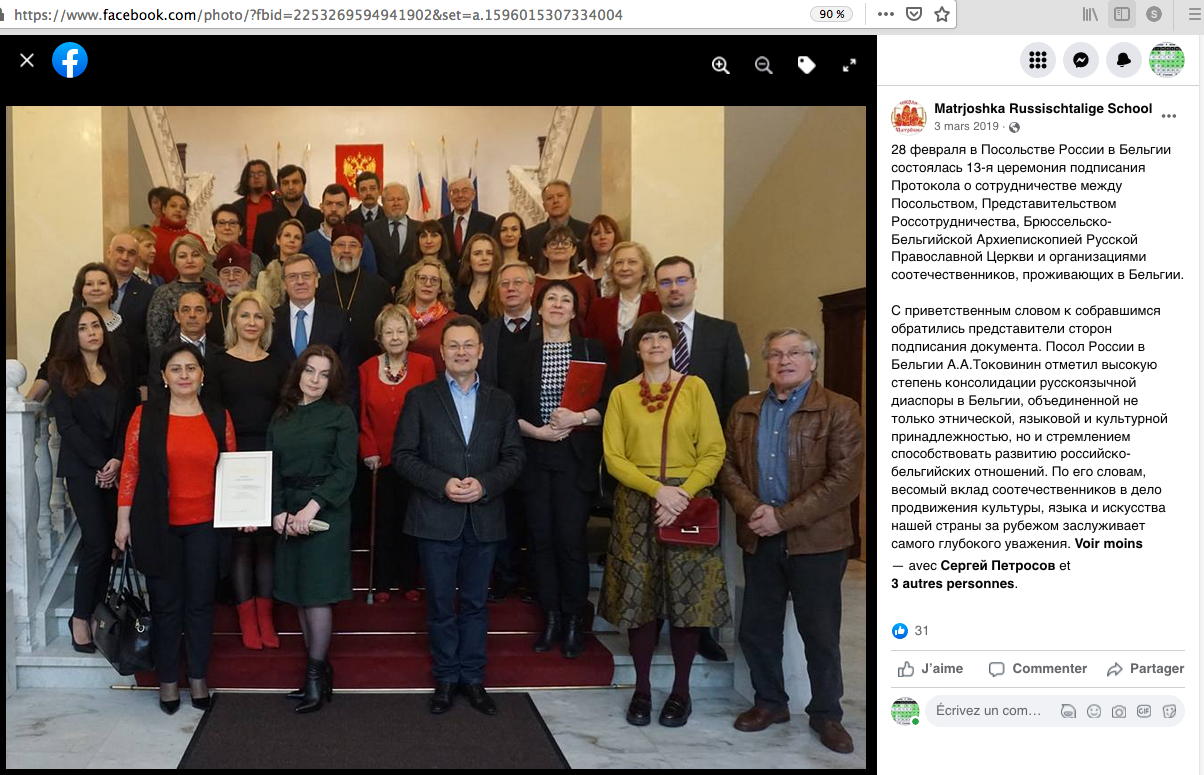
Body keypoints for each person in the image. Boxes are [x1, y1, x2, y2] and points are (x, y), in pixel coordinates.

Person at [717, 329, 864, 754]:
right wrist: (753, 510)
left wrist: (782, 518)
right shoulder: (745, 409)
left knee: (819, 632)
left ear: (812, 361)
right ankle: (770, 703)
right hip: (759, 535)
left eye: (795, 353)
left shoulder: (840, 409)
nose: (785, 360)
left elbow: (844, 480)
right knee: (757, 629)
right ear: (766, 362)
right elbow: (726, 466)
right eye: (776, 354)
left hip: (817, 541)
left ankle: (826, 713)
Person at [600, 312, 728, 728]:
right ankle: (641, 689)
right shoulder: (622, 394)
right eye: (646, 338)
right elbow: (614, 457)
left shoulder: (695, 388)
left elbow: (714, 450)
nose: (655, 344)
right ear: (636, 348)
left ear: (673, 345)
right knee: (640, 600)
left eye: (662, 337)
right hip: (637, 503)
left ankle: (681, 692)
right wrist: (658, 491)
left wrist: (682, 493)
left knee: (686, 598)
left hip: (689, 500)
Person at [393, 315, 525, 716]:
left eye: (469, 345)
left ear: (481, 351)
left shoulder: (501, 401)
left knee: (475, 604)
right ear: (442, 352)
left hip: (484, 517)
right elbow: (403, 456)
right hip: (435, 517)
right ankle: (446, 678)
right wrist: (442, 483)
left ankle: (473, 678)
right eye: (454, 345)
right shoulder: (420, 398)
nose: (461, 352)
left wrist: (484, 484)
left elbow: (515, 457)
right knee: (439, 604)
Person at [619, 256, 749, 663]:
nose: (674, 287)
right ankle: (651, 632)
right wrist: (659, 490)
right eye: (665, 281)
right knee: (647, 575)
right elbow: (619, 440)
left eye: (681, 280)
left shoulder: (723, 333)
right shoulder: (630, 375)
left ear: (693, 283)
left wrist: (694, 482)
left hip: (700, 474)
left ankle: (702, 633)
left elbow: (735, 403)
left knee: (695, 569)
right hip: (643, 488)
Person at [115, 342, 237, 714]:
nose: (184, 375)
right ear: (164, 377)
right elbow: (131, 468)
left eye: (191, 368)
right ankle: (168, 679)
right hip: (158, 525)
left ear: (202, 375)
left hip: (206, 527)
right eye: (176, 369)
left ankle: (197, 676)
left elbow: (233, 471)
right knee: (166, 607)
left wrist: (244, 511)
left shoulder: (218, 415)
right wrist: (122, 520)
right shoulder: (145, 415)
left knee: (200, 605)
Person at [508, 281, 607, 657]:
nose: (558, 305)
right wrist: (538, 432)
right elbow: (507, 409)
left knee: (570, 541)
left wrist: (576, 418)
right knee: (541, 541)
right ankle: (550, 617)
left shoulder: (590, 350)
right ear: (539, 307)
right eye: (551, 298)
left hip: (575, 460)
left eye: (566, 300)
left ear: (574, 311)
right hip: (535, 456)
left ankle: (573, 620)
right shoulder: (522, 353)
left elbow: (608, 404)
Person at [268, 345, 358, 713]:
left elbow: (345, 470)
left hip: (326, 511)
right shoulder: (282, 414)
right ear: (299, 373)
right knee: (301, 593)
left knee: (317, 595)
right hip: (289, 511)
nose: (316, 380)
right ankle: (319, 674)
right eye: (310, 371)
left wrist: (312, 507)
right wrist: (278, 512)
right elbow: (271, 467)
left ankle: (314, 679)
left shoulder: (340, 414)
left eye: (324, 374)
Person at [47, 306, 137, 653]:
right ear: (74, 335)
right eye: (83, 328)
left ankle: (98, 612)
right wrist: (100, 464)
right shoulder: (61, 371)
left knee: (110, 547)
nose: (92, 332)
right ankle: (80, 617)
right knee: (96, 542)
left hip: (115, 465)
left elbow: (127, 420)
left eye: (96, 326)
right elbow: (67, 426)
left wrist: (116, 460)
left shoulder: (115, 370)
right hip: (82, 469)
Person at [204, 290, 289, 651]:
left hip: (268, 457)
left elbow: (286, 413)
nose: (251, 322)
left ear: (266, 324)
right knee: (240, 542)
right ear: (233, 321)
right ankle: (246, 618)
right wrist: (224, 460)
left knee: (266, 541)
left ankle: (265, 617)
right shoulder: (217, 363)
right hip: (231, 459)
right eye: (245, 315)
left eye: (258, 316)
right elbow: (211, 415)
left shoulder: (278, 364)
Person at [358, 305, 437, 602]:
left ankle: (410, 581)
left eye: (400, 331)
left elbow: (431, 412)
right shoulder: (367, 368)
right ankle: (381, 582)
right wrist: (368, 449)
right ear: (379, 337)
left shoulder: (424, 365)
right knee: (384, 521)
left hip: (415, 458)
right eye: (388, 332)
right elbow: (362, 414)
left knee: (412, 518)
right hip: (379, 459)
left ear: (410, 334)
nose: (394, 337)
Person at [478, 262, 540, 601]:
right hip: (497, 434)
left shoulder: (549, 327)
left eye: (518, 282)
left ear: (532, 288)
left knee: (533, 510)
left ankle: (533, 579)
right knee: (502, 509)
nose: (511, 288)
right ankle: (504, 576)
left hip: (540, 434)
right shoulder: (487, 332)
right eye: (504, 284)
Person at [29, 262, 142, 402]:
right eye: (89, 284)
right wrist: (27, 403)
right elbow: (51, 365)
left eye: (102, 283)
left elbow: (138, 373)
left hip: (120, 405)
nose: (96, 288)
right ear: (80, 290)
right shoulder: (66, 321)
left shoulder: (127, 325)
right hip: (74, 404)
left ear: (112, 290)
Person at [269, 253, 359, 408]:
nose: (300, 281)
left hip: (327, 410)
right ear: (284, 283)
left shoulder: (338, 318)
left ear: (316, 280)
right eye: (292, 277)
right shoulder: (271, 320)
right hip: (281, 411)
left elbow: (348, 374)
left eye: (306, 275)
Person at [315, 223, 393, 368]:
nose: (346, 250)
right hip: (327, 364)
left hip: (370, 363)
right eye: (340, 245)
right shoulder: (319, 286)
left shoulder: (379, 286)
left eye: (353, 245)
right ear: (332, 249)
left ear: (361, 251)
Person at [583, 240, 660, 377]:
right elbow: (590, 350)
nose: (624, 268)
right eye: (619, 263)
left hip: (651, 382)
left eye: (632, 262)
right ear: (612, 270)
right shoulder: (598, 307)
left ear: (644, 269)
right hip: (608, 384)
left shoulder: (658, 302)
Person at [145, 235, 222, 351]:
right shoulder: (164, 293)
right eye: (182, 256)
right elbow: (155, 337)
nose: (189, 260)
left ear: (204, 261)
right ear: (174, 262)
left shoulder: (215, 290)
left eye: (195, 255)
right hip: (173, 357)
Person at [301, 184, 379, 276]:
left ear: (348, 209)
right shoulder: (307, 241)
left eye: (339, 204)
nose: (334, 209)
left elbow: (371, 277)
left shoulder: (361, 240)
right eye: (329, 204)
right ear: (321, 207)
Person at [395, 256, 456, 373]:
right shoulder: (398, 317)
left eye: (434, 280)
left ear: (440, 288)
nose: (428, 284)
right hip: (403, 379)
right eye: (422, 278)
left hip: (438, 381)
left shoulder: (453, 321)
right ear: (413, 283)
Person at [252, 164, 324, 260]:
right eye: (285, 183)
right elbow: (258, 259)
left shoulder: (319, 218)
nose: (290, 187)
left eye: (295, 182)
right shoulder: (265, 220)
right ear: (279, 187)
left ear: (304, 185)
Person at [533, 225, 597, 322]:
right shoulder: (533, 282)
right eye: (553, 243)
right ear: (545, 251)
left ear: (573, 250)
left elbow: (594, 319)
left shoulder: (586, 282)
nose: (559, 247)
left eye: (565, 243)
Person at [365, 182, 420, 289]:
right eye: (391, 200)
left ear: (407, 202)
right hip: (379, 290)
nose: (396, 203)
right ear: (382, 203)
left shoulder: (420, 229)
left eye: (400, 199)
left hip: (412, 291)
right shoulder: (370, 229)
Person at [439, 178, 496, 269]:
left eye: (465, 191)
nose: (460, 195)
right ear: (449, 197)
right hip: (447, 276)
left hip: (477, 275)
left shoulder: (488, 222)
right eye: (455, 192)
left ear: (473, 195)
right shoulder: (440, 224)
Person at [150, 190, 206, 283]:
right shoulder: (151, 236)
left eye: (183, 208)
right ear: (164, 209)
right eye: (173, 206)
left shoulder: (196, 239)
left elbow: (205, 270)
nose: (178, 210)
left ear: (187, 213)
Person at [524, 180, 589, 257]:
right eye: (550, 198)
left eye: (560, 196)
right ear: (544, 206)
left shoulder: (587, 232)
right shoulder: (530, 236)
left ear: (570, 201)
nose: (555, 201)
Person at [210, 243, 256, 344]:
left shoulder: (263, 310)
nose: (231, 278)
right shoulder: (211, 315)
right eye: (226, 272)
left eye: (237, 272)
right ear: (218, 278)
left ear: (249, 276)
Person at [257, 218, 306, 310]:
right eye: (287, 235)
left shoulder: (310, 274)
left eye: (297, 237)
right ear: (278, 240)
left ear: (301, 245)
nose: (292, 240)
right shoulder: (264, 276)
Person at [452, 233, 502, 324]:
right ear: (468, 259)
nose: (484, 258)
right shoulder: (458, 293)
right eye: (477, 253)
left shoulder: (503, 289)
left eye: (489, 253)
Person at [230, 159, 277, 250]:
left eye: (260, 173)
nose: (256, 177)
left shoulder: (279, 203)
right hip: (244, 255)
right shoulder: (236, 208)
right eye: (251, 174)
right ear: (246, 179)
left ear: (268, 177)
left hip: (275, 255)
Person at [210, 205, 264, 281]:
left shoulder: (253, 260)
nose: (227, 227)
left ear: (241, 230)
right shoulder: (204, 260)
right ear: (214, 229)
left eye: (232, 223)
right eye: (221, 223)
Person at [581, 214, 623, 292]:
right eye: (596, 233)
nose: (602, 237)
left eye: (608, 232)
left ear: (616, 236)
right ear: (590, 239)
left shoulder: (623, 267)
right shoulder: (581, 268)